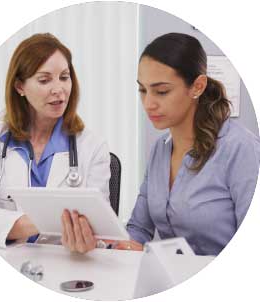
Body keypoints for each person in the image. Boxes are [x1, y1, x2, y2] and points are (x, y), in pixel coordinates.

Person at [61, 32, 260, 256]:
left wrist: (156, 256)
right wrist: (110, 244)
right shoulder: (160, 149)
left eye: (162, 91)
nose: (148, 103)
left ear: (197, 86)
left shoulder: (241, 148)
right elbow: (138, 228)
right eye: (142, 90)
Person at [0, 33, 111, 249]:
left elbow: (100, 227)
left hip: (68, 266)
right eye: (44, 80)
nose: (58, 89)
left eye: (64, 77)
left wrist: (88, 240)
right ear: (20, 87)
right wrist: (42, 220)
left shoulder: (92, 147)